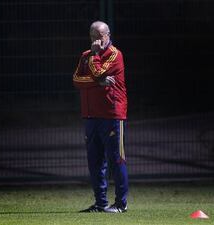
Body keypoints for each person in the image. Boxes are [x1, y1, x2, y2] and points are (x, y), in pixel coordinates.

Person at [72, 21, 128, 213]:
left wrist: (95, 56)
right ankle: (100, 203)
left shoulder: (114, 54)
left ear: (108, 35)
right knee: (95, 161)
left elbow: (98, 71)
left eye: (100, 36)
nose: (97, 41)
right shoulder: (85, 56)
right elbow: (77, 80)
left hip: (112, 115)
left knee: (116, 160)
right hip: (90, 117)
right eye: (93, 37)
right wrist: (98, 83)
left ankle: (121, 204)